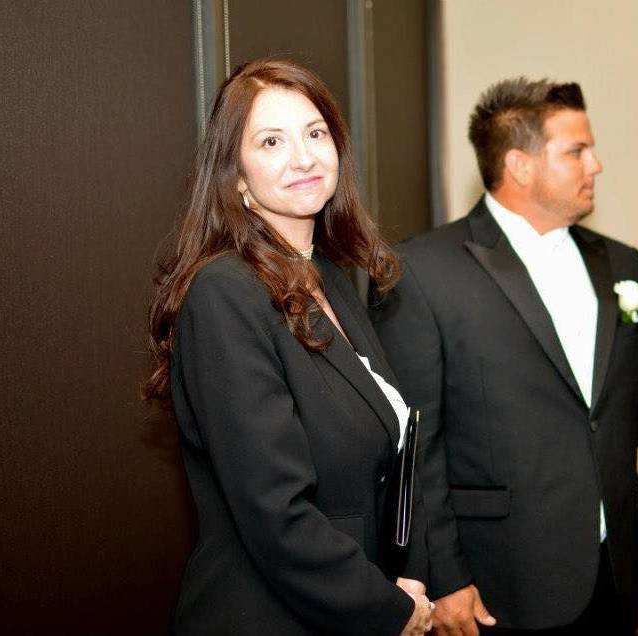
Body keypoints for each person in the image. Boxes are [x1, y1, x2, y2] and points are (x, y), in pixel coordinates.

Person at [371, 78, 638, 634]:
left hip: (615, 562)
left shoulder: (623, 266)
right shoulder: (423, 272)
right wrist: (442, 575)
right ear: (520, 166)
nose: (596, 164)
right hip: (500, 574)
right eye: (577, 151)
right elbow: (416, 444)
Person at [142, 58, 433, 635]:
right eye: (271, 141)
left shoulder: (326, 278)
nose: (303, 157)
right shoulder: (225, 291)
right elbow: (275, 511)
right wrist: (390, 609)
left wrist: (406, 578)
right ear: (237, 178)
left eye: (315, 133)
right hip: (267, 615)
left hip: (348, 602)